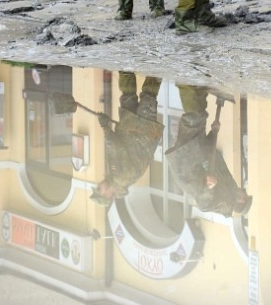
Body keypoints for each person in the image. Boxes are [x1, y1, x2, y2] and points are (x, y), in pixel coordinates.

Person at [165, 85, 252, 217]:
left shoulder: (225, 204)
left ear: (242, 200)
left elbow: (204, 206)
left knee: (193, 119)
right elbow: (213, 159)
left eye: (245, 194)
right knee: (200, 116)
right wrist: (213, 132)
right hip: (197, 153)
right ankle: (198, 89)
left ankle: (186, 85)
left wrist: (208, 188)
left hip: (188, 161)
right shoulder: (231, 188)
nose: (244, 191)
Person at [90, 72, 164, 206]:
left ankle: (126, 67)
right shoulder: (120, 177)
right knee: (148, 95)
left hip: (131, 129)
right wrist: (105, 126)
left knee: (128, 96)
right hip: (142, 129)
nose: (98, 185)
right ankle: (158, 62)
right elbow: (117, 148)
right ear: (108, 194)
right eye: (99, 189)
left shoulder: (117, 178)